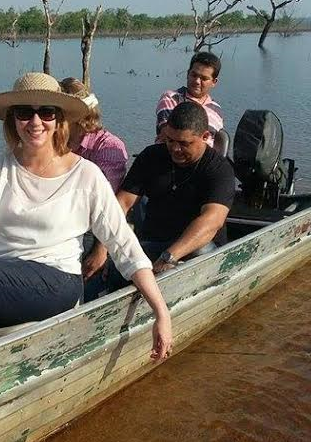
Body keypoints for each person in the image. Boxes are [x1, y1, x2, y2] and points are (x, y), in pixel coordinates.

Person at [0, 72, 172, 374]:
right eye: (25, 113)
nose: (35, 122)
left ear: (59, 120)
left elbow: (124, 246)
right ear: (13, 120)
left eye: (46, 112)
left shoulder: (86, 175)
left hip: (55, 280)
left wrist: (161, 312)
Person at [84, 101, 236, 284]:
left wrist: (169, 257)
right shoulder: (151, 156)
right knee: (114, 270)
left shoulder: (219, 168)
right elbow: (122, 203)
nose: (175, 149)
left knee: (199, 251)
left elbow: (212, 221)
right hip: (154, 243)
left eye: (184, 143)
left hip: (196, 249)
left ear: (205, 136)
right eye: (170, 140)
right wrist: (102, 247)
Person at [59, 77, 128, 192]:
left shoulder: (109, 147)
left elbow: (102, 198)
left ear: (78, 115)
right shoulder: (52, 141)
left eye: (55, 112)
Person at [154, 51, 223, 146]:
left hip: (207, 159)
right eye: (194, 75)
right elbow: (169, 133)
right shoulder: (172, 98)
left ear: (214, 82)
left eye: (204, 78)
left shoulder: (216, 110)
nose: (197, 81)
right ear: (187, 74)